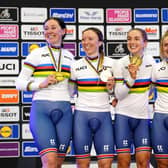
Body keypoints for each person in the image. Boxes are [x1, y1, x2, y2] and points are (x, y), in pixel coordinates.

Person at [15, 17, 74, 168]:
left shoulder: (70, 56)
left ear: (63, 31)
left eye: (53, 27)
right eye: (46, 28)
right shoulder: (36, 54)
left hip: (64, 111)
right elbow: (19, 83)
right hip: (42, 110)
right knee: (51, 161)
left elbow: (72, 88)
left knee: (58, 163)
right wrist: (40, 84)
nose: (49, 31)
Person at [70, 27, 115, 168]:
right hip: (81, 117)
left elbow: (118, 93)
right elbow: (70, 92)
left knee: (106, 164)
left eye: (90, 39)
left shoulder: (112, 63)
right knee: (83, 164)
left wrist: (112, 90)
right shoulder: (75, 65)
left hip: (104, 116)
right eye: (83, 39)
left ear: (100, 42)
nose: (85, 42)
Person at [114, 28, 155, 168]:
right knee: (123, 162)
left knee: (144, 162)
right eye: (129, 39)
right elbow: (119, 94)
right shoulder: (120, 63)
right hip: (123, 117)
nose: (132, 42)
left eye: (136, 39)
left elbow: (155, 86)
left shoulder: (152, 62)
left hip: (143, 117)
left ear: (145, 43)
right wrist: (131, 78)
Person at [151, 31, 168, 168]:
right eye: (166, 45)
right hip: (160, 118)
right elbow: (146, 92)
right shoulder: (156, 69)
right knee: (162, 162)